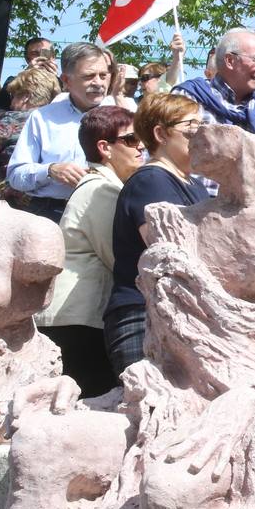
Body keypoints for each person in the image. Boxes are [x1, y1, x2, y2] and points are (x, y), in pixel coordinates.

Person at [39, 105, 143, 397]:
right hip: (78, 322)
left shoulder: (99, 186)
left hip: (76, 318)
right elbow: (118, 259)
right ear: (104, 148)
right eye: (132, 139)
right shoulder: (102, 190)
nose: (142, 146)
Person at [103, 93, 210, 373]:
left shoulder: (196, 186)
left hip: (182, 314)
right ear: (161, 134)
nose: (200, 136)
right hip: (144, 316)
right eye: (191, 129)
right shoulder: (151, 181)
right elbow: (170, 253)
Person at [6, 42, 114, 223]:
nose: (98, 83)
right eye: (89, 76)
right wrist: (50, 170)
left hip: (104, 212)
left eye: (103, 75)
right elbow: (16, 175)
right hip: (48, 214)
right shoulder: (42, 118)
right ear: (66, 81)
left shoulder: (123, 117)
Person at [173, 28, 255, 193]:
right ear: (230, 60)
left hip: (249, 211)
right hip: (194, 208)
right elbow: (164, 158)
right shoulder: (189, 98)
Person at [0, 69, 62, 210]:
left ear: (25, 97)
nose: (12, 103)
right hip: (53, 208)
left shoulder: (15, 120)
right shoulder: (61, 123)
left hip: (9, 208)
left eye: (13, 96)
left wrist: (1, 169)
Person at [0, 37, 58, 111]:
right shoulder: (13, 80)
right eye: (35, 53)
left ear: (53, 57)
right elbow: (3, 101)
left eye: (45, 53)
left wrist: (57, 80)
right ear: (27, 58)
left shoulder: (65, 82)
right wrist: (28, 73)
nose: (40, 57)